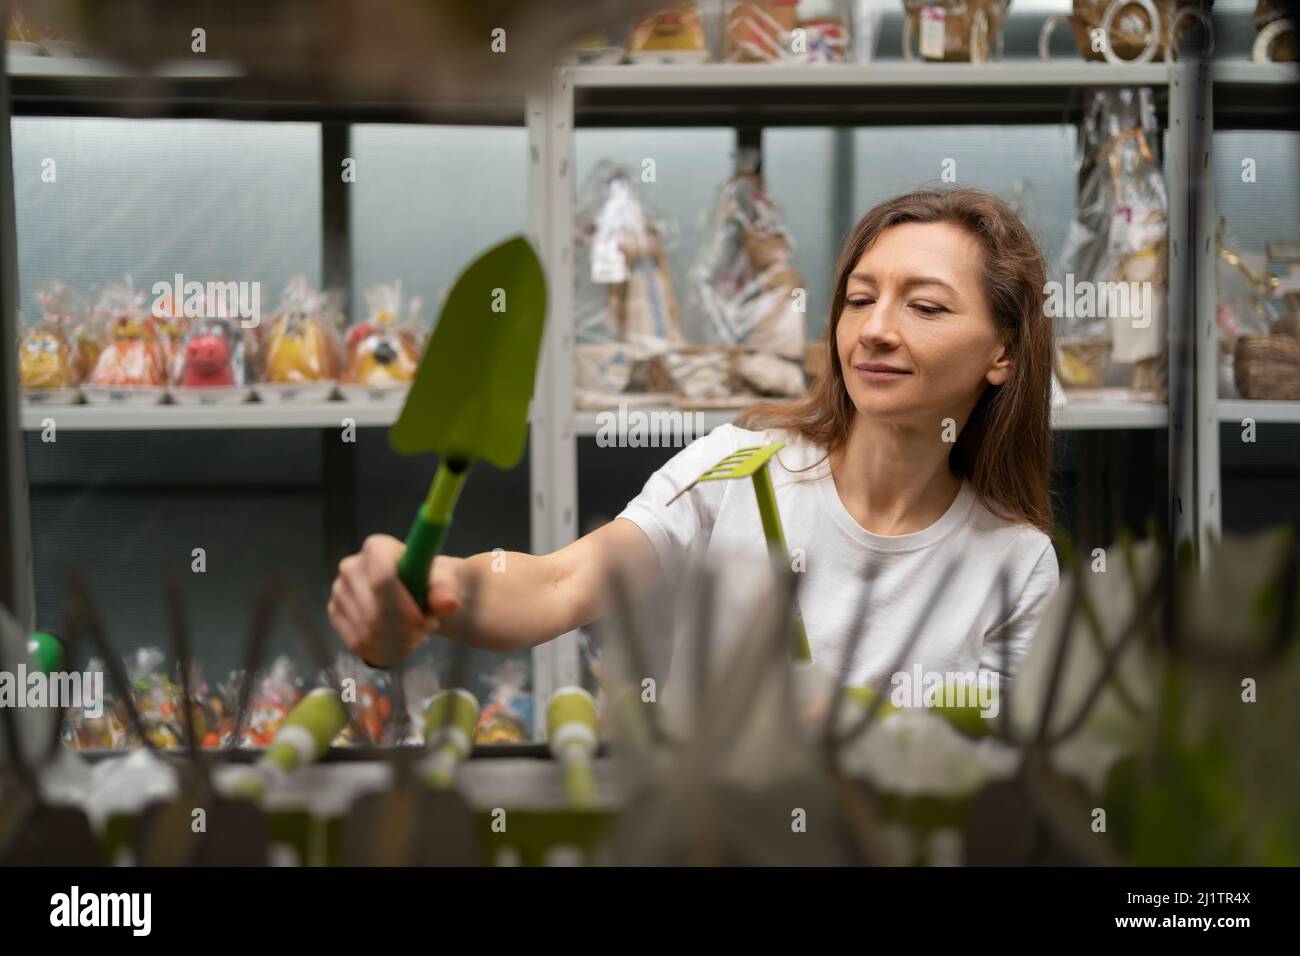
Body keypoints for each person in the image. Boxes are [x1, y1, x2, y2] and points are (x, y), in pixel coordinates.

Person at [328, 186, 1060, 692]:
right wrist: (431, 587)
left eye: (925, 305)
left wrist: (849, 722)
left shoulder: (1015, 563)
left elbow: (995, 778)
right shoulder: (740, 467)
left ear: (1002, 353)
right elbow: (561, 583)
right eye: (859, 299)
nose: (874, 329)